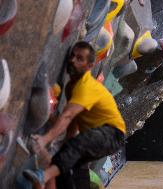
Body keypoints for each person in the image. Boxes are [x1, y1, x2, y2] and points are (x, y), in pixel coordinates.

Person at [23, 41, 126, 189]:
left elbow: (67, 116)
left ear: (90, 66)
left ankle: (43, 176)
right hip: (94, 136)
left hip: (112, 133)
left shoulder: (86, 86)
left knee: (75, 147)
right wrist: (61, 146)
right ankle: (49, 179)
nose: (72, 60)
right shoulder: (71, 87)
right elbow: (72, 125)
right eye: (72, 56)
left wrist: (45, 139)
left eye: (79, 58)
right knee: (65, 164)